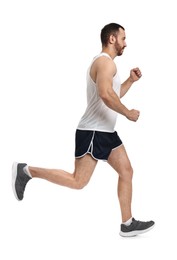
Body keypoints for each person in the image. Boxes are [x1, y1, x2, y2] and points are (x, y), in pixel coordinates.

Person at [12, 23, 155, 237]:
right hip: (93, 132)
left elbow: (112, 94)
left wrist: (130, 81)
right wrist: (127, 113)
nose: (126, 43)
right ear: (112, 39)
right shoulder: (104, 63)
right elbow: (106, 96)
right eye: (123, 38)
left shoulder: (107, 65)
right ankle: (25, 171)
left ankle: (127, 224)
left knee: (126, 171)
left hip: (106, 133)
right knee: (78, 181)